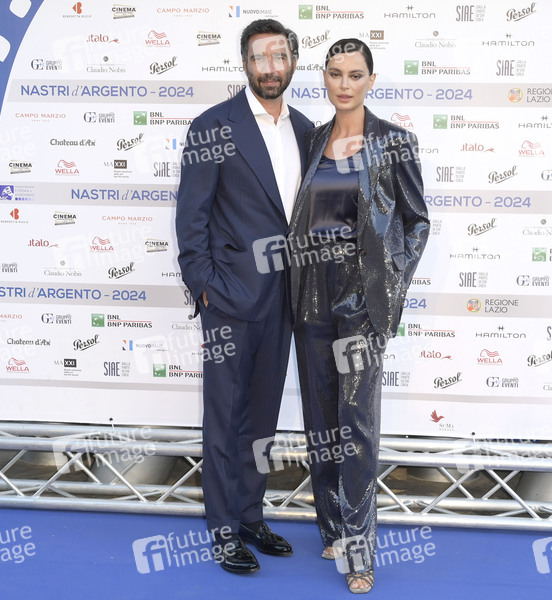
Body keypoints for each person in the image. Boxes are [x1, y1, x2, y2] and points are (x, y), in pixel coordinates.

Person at [287, 38, 429, 593]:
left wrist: (387, 287)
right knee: (321, 421)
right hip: (311, 294)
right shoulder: (313, 139)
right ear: (323, 77)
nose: (343, 84)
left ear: (371, 79)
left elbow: (416, 222)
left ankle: (359, 550)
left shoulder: (394, 142)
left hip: (360, 297)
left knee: (357, 425)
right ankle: (332, 526)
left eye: (354, 74)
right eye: (334, 73)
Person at [175, 19, 314, 574]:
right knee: (224, 418)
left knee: (262, 419)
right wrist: (206, 288)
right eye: (260, 58)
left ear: (293, 62)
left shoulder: (306, 129)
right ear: (245, 64)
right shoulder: (214, 126)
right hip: (230, 299)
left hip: (286, 299)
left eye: (279, 57)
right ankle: (223, 527)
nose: (270, 68)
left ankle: (251, 515)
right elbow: (191, 219)